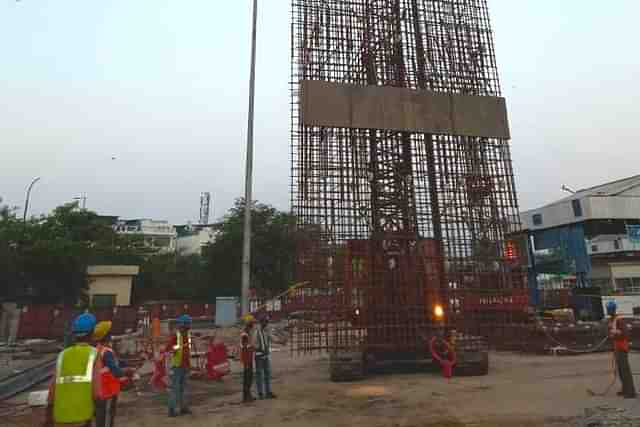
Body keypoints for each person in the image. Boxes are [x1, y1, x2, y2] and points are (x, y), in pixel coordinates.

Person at [47, 313, 101, 427]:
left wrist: (48, 415)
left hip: (60, 417)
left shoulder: (62, 355)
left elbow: (52, 390)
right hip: (82, 417)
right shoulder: (93, 354)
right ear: (92, 333)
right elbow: (97, 393)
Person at [93, 321, 133, 427]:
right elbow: (115, 370)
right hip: (108, 390)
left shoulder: (98, 349)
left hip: (99, 390)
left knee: (100, 416)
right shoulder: (106, 352)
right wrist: (128, 371)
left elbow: (115, 362)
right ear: (106, 336)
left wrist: (125, 363)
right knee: (107, 416)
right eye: (109, 333)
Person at [607, 300, 636, 398]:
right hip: (617, 348)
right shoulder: (612, 320)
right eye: (607, 309)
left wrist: (617, 333)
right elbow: (612, 333)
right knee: (620, 370)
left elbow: (626, 334)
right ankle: (625, 389)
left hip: (622, 348)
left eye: (609, 309)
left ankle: (631, 392)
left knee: (625, 370)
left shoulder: (619, 320)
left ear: (613, 309)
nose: (608, 311)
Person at [166, 314, 193, 417]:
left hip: (185, 365)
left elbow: (187, 350)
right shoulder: (176, 336)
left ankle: (183, 408)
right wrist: (176, 348)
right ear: (183, 324)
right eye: (188, 324)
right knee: (175, 389)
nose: (189, 326)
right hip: (176, 366)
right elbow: (168, 349)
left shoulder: (187, 336)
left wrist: (189, 364)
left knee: (184, 388)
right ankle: (171, 410)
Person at [255, 315, 276, 399]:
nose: (266, 324)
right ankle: (260, 393)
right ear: (261, 322)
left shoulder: (266, 331)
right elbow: (254, 344)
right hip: (259, 356)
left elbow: (272, 338)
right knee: (259, 375)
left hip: (265, 355)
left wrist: (280, 341)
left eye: (267, 322)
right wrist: (259, 349)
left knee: (267, 374)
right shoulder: (257, 332)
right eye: (265, 322)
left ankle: (268, 392)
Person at [240, 315, 257, 403]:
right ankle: (246, 396)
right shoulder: (245, 334)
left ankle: (248, 395)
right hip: (247, 358)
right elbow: (245, 346)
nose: (253, 324)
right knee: (247, 377)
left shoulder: (248, 332)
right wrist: (253, 347)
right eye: (252, 323)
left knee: (249, 377)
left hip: (249, 357)